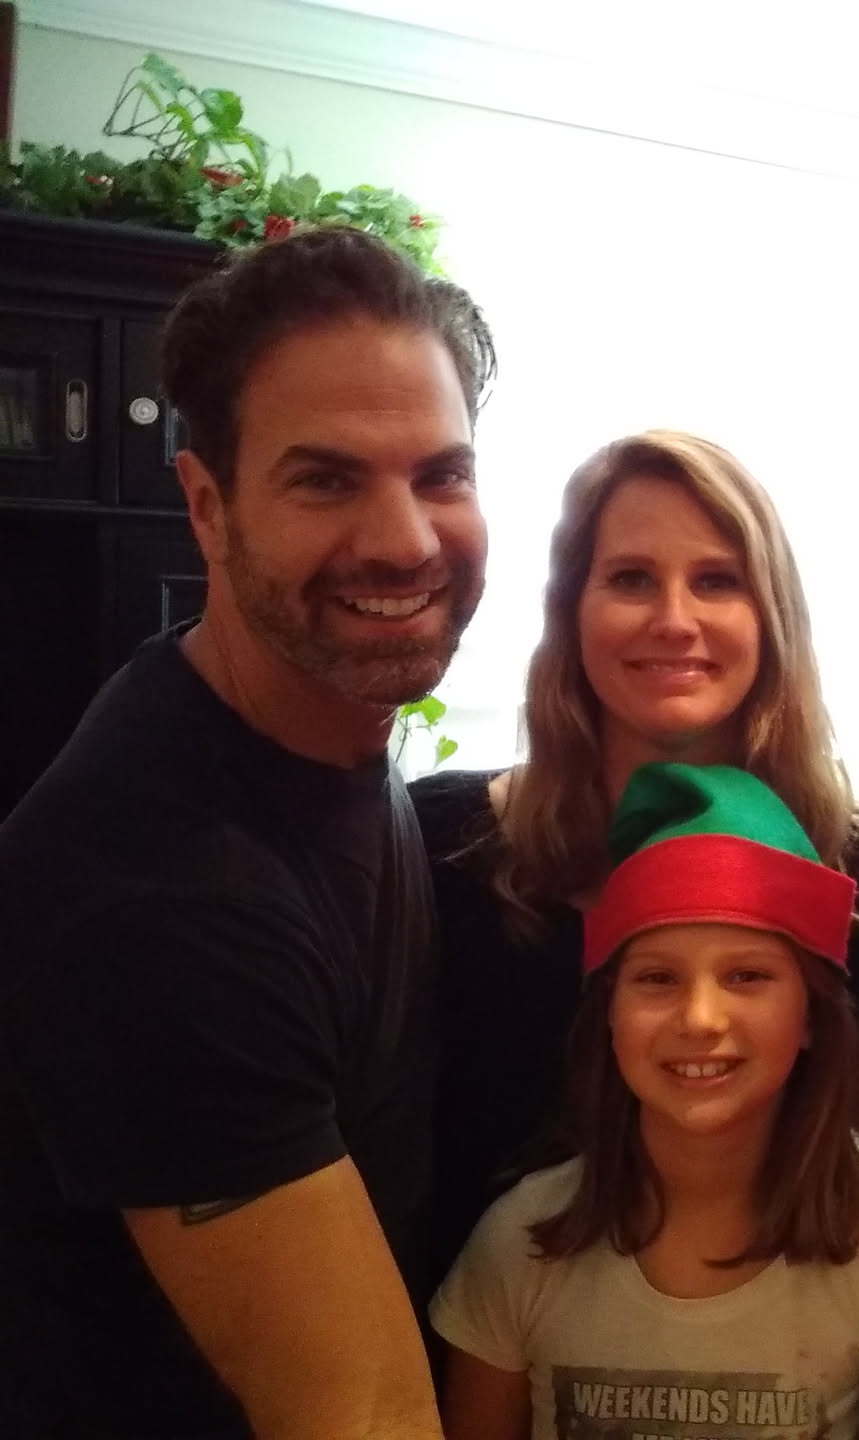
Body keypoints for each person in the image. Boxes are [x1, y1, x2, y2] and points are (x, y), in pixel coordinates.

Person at [0, 226, 494, 1439]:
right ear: (208, 507)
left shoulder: (304, 726)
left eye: (441, 474)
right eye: (326, 480)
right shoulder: (157, 896)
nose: (405, 539)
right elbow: (362, 1416)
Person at [412, 430, 859, 1297]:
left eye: (716, 580)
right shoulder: (442, 848)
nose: (675, 620)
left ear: (771, 616)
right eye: (632, 578)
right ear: (572, 609)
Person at [431, 762, 859, 1440]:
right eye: (657, 978)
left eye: (747, 976)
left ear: (811, 1014)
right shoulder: (519, 1247)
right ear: (610, 1012)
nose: (701, 1018)